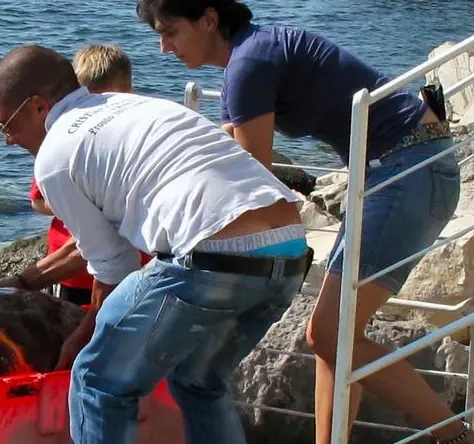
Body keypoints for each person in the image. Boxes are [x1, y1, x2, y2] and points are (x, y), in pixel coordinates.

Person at [135, 0, 465, 442]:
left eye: (170, 32)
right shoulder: (251, 56)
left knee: (329, 333)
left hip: (406, 170)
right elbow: (229, 152)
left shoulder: (248, 65)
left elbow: (249, 173)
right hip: (400, 167)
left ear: (209, 20)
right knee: (332, 338)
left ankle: (456, 435)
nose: (163, 47)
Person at [0, 44, 313, 444]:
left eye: (6, 126)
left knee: (97, 381)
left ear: (38, 106)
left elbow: (114, 268)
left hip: (213, 257)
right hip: (291, 252)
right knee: (198, 379)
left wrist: (83, 336)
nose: (7, 141)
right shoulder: (138, 106)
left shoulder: (54, 156)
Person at [0, 44, 150, 305]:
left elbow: (108, 252)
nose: (8, 140)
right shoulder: (64, 157)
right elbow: (41, 202)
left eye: (8, 125)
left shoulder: (62, 154)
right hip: (77, 272)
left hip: (114, 267)